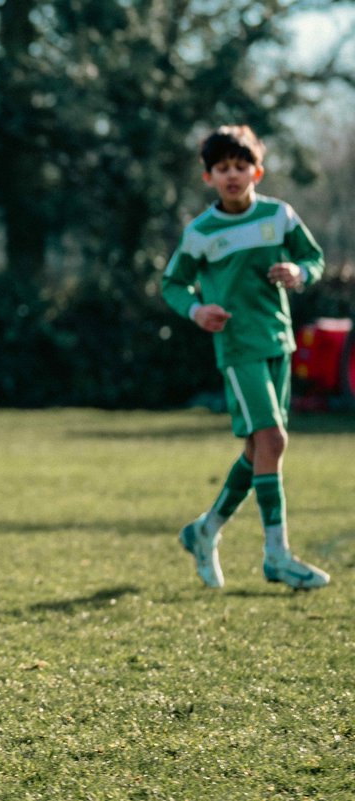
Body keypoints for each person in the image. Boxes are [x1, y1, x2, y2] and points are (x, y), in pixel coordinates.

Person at [162, 124, 329, 591]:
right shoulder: (201, 232)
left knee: (260, 450)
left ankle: (205, 530)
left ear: (258, 171)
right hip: (238, 349)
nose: (232, 175)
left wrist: (298, 271)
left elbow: (313, 260)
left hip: (279, 341)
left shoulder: (279, 216)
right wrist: (197, 310)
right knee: (273, 441)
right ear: (208, 177)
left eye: (240, 166)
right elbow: (173, 284)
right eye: (222, 168)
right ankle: (277, 555)